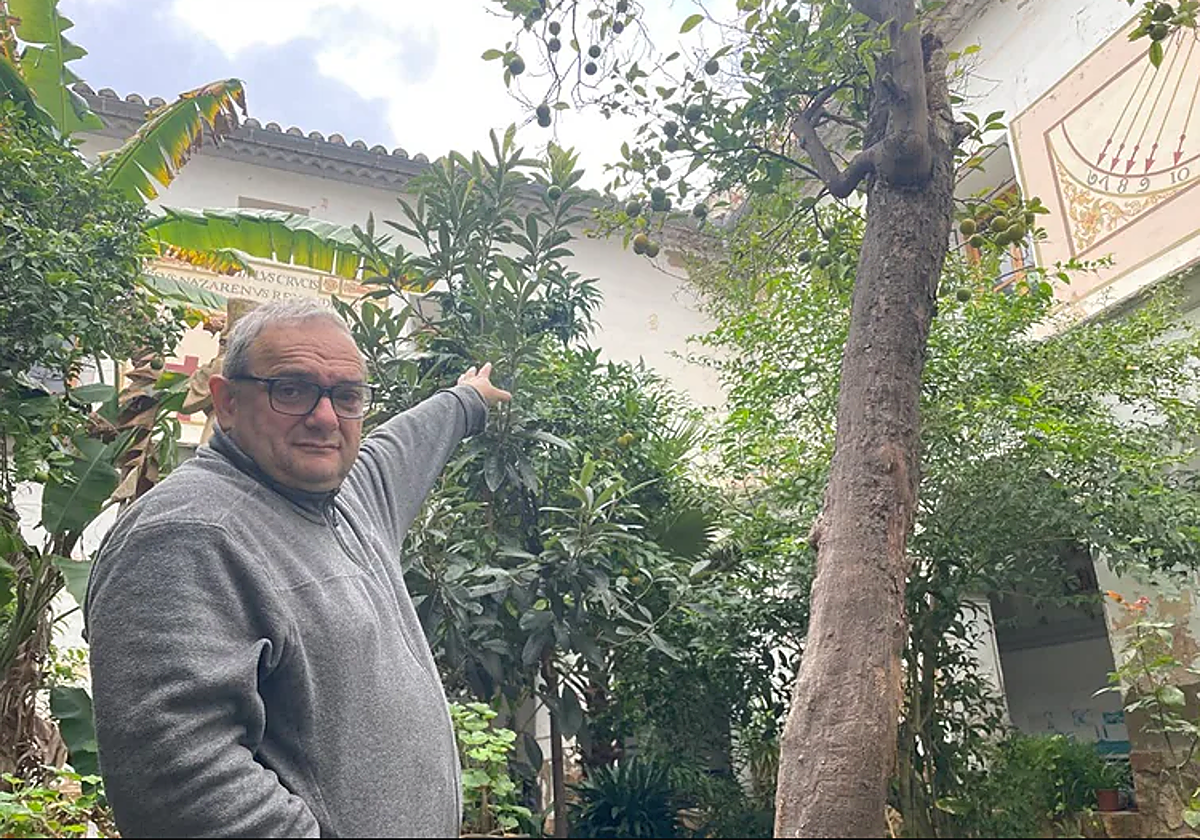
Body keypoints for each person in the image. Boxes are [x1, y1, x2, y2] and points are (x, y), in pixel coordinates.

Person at [84, 298, 511, 838]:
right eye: (291, 390)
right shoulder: (190, 532)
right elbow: (178, 784)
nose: (325, 417)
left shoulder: (349, 500)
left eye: (347, 395)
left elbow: (403, 446)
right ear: (227, 402)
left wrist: (466, 400)